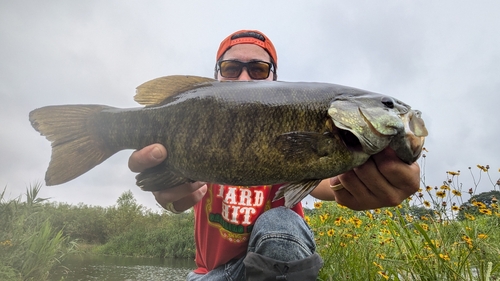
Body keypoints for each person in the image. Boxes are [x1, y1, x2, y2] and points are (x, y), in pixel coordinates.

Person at [128, 30, 420, 280]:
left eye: (258, 69)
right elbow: (177, 196)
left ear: (275, 79)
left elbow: (328, 184)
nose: (244, 79)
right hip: (210, 275)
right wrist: (169, 197)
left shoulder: (307, 138)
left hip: (278, 268)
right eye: (231, 69)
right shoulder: (198, 126)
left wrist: (365, 181)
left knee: (280, 223)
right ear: (215, 76)